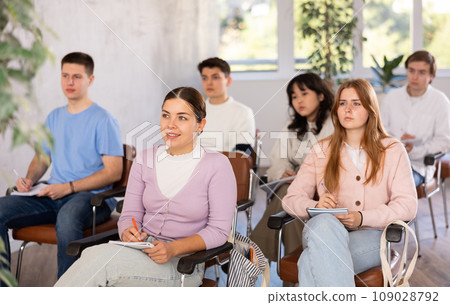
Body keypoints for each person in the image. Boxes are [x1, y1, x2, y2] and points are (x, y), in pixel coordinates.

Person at [55, 87, 237, 287]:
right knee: (99, 268)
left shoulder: (217, 165)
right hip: (138, 252)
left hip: (183, 264)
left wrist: (173, 249)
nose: (171, 125)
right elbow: (129, 214)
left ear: (200, 125)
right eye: (166, 115)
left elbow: (219, 231)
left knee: (99, 262)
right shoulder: (145, 158)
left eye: (182, 118)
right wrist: (127, 231)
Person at [282, 78, 417, 286]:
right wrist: (315, 206)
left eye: (356, 103)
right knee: (325, 224)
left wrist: (362, 218)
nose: (347, 109)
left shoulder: (392, 149)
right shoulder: (321, 150)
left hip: (373, 236)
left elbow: (407, 206)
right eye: (342, 103)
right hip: (321, 230)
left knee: (309, 263)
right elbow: (290, 199)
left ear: (370, 109)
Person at [0, 52, 123, 279]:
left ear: (90, 80)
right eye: (65, 75)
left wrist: (69, 187)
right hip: (53, 194)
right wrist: (30, 179)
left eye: (77, 76)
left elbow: (113, 171)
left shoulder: (103, 120)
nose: (69, 82)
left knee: (68, 219)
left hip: (92, 199)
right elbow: (42, 159)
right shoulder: (54, 117)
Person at [250, 72, 334, 264]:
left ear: (321, 95)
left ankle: (253, 254)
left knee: (287, 193)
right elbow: (278, 160)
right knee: (289, 198)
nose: (298, 100)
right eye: (294, 96)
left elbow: (333, 163)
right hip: (297, 188)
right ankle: (293, 271)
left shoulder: (334, 123)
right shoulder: (292, 126)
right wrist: (283, 172)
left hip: (324, 189)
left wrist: (303, 177)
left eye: (304, 93)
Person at [381, 50, 450, 186]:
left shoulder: (440, 101)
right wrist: (398, 145)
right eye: (411, 71)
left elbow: (443, 142)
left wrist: (415, 151)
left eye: (422, 72)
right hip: (388, 161)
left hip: (419, 166)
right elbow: (380, 131)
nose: (415, 77)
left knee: (397, 185)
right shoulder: (392, 98)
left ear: (432, 76)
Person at [197, 57, 256, 152]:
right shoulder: (194, 111)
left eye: (215, 77)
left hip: (229, 165)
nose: (209, 83)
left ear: (228, 81)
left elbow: (242, 153)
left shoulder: (243, 112)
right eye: (204, 78)